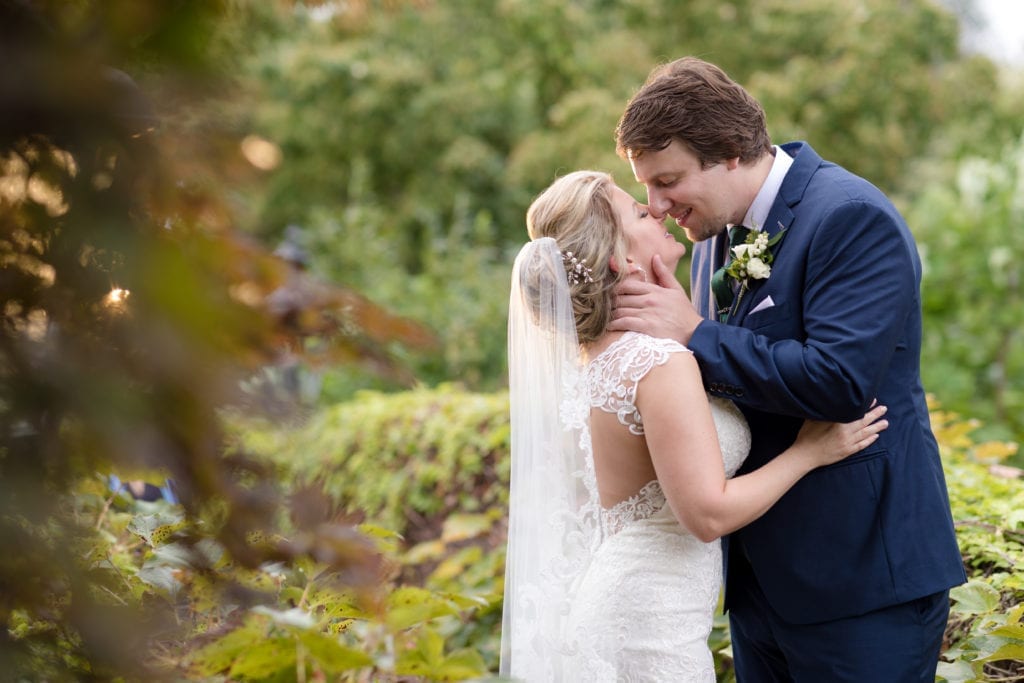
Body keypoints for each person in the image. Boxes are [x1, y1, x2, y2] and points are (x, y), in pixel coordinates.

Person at [612, 57, 966, 681]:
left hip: (860, 586)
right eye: (646, 189)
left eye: (667, 181)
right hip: (758, 586)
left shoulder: (850, 217)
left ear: (726, 152)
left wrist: (694, 331)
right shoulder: (714, 234)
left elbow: (839, 380)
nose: (658, 206)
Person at [499, 170, 889, 681]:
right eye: (639, 213)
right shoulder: (657, 362)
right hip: (649, 623)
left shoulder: (596, 359)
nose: (655, 210)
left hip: (629, 600)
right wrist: (810, 452)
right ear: (621, 259)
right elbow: (707, 514)